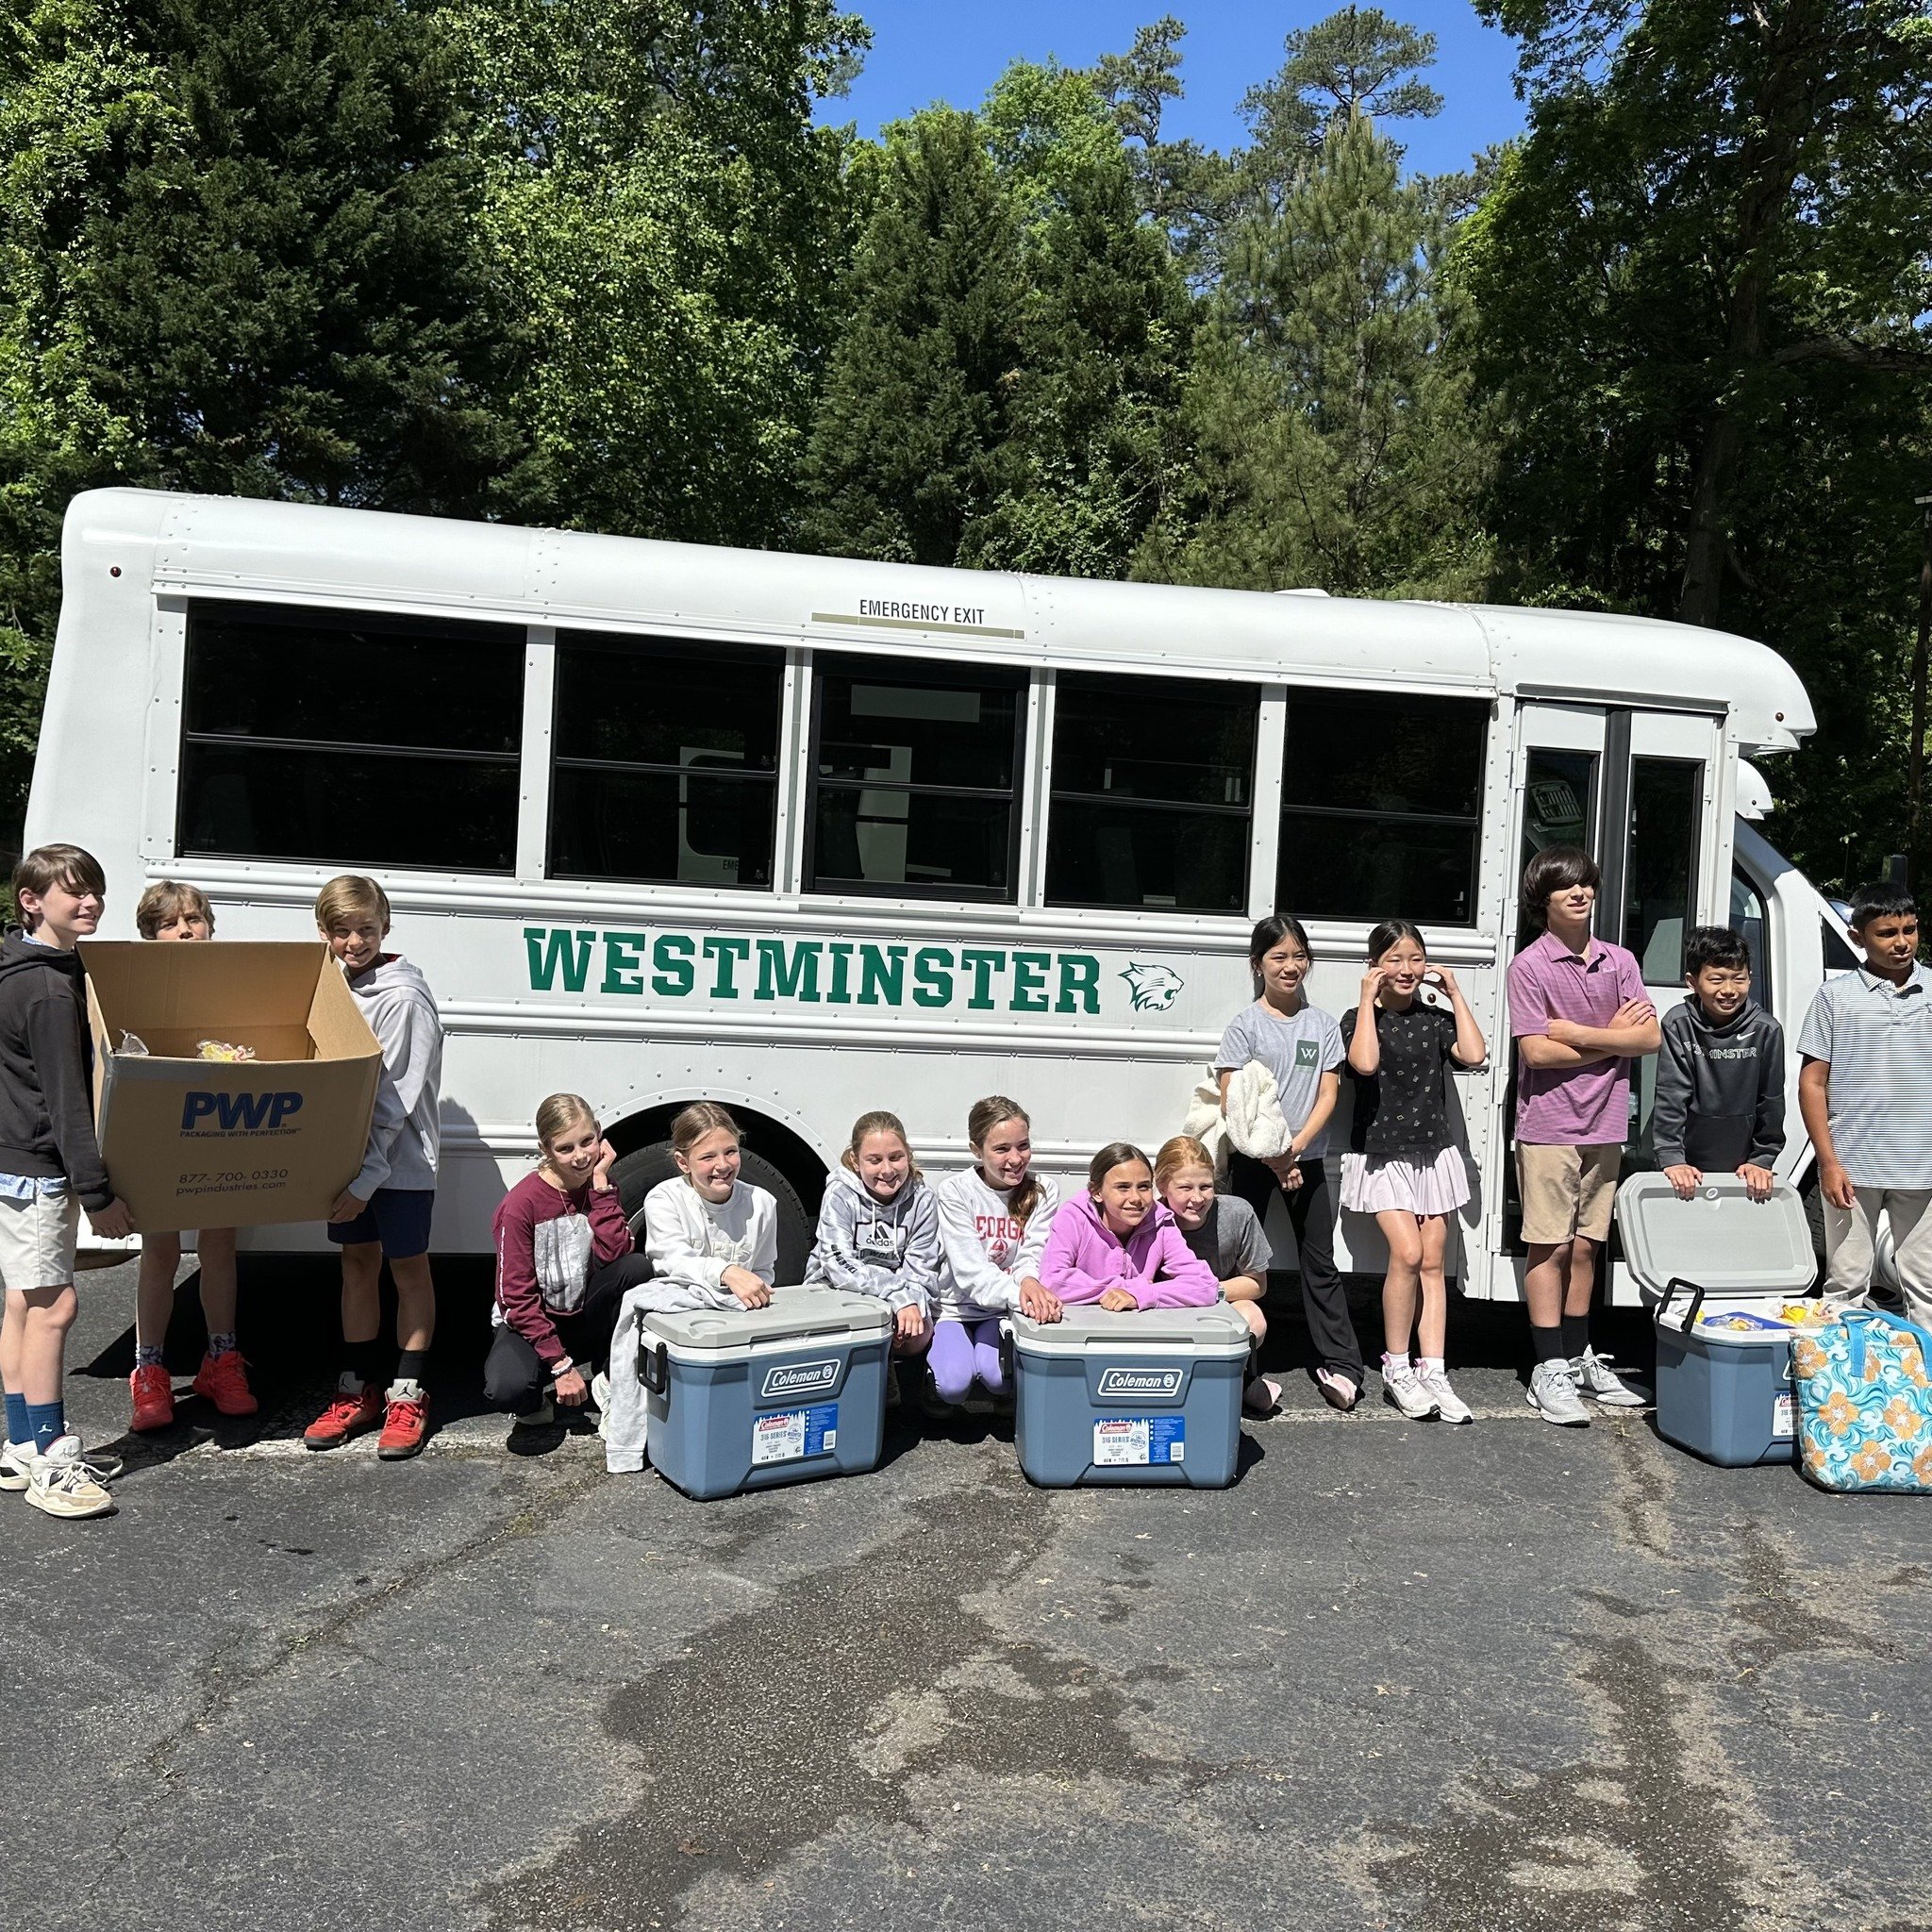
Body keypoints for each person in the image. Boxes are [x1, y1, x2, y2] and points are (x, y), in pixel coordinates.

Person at [0, 844, 133, 1518]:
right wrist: (100, 1194)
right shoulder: (51, 989)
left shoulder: (19, 966)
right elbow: (67, 1100)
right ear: (32, 900)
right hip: (41, 1169)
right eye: (74, 893)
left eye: (95, 892)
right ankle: (54, 1461)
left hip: (10, 1163)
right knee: (55, 1308)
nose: (90, 903)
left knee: (23, 1303)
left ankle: (19, 1443)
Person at [1507, 845, 1660, 1426]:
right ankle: (1547, 1369)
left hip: (1606, 1122)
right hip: (1548, 1126)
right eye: (1566, 887)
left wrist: (1577, 1031)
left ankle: (1577, 1356)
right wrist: (1608, 1035)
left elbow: (1648, 1041)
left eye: (1587, 884)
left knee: (1586, 1246)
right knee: (1547, 1244)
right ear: (1542, 901)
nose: (1580, 893)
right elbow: (1537, 1053)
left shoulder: (1620, 961)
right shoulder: (1529, 967)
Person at [302, 875, 444, 1460]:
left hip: (398, 1164)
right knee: (357, 1264)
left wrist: (364, 1181)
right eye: (341, 931)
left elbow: (394, 1102)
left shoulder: (403, 997)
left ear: (386, 927)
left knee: (408, 1271)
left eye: (365, 929)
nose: (354, 941)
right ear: (325, 934)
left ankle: (407, 1394)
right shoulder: (339, 985)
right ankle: (355, 1390)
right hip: (350, 1161)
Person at [1341, 920, 1487, 1425]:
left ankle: (1435, 1370)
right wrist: (1366, 999)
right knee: (1405, 1253)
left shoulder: (1435, 1018)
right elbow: (1362, 1064)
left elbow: (1475, 1054)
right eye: (1395, 959)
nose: (1407, 969)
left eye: (1415, 959)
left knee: (1432, 1262)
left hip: (1432, 1153)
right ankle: (1397, 1366)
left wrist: (1455, 992)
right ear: (1376, 964)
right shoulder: (1358, 1018)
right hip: (1383, 1155)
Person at [1215, 914, 1363, 1409]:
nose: (1291, 965)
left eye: (1299, 956)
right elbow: (1233, 1102)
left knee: (1319, 1263)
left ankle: (1342, 1367)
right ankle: (1239, 1372)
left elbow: (1329, 1094)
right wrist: (1276, 1158)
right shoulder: (1244, 1026)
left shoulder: (1321, 1025)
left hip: (1309, 1158)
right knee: (1239, 1266)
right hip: (1253, 1162)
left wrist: (1294, 1149)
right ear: (1257, 965)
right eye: (1279, 956)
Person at [126, 881, 254, 1432]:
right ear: (151, 935)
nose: (186, 929)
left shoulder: (230, 982)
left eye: (195, 919)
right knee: (160, 1251)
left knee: (220, 1243)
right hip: (158, 1134)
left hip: (215, 1130)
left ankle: (222, 1361)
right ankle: (149, 1372)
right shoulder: (135, 984)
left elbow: (245, 1036)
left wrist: (245, 1059)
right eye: (171, 923)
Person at [604, 1102, 781, 1474]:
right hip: (684, 1318)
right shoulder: (664, 1198)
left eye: (730, 1151)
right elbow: (669, 1260)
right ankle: (622, 1402)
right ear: (684, 1163)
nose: (722, 1165)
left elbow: (764, 1269)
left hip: (736, 1321)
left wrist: (750, 1286)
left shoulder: (762, 1203)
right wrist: (726, 1271)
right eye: (707, 1156)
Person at [1796, 880, 1932, 1321]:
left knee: (1924, 1286)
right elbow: (1813, 1084)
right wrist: (1828, 1162)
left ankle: (1920, 1383)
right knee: (1846, 1282)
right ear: (1858, 937)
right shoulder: (1835, 996)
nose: (1901, 943)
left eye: (1909, 930)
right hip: (1853, 1167)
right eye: (1886, 933)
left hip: (1922, 1167)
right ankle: (1839, 1384)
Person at [483, 1093, 652, 1426]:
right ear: (546, 1149)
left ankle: (609, 1376)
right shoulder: (520, 1205)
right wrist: (560, 1364)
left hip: (581, 1311)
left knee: (638, 1268)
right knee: (507, 1388)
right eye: (565, 1148)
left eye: (587, 1141)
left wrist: (601, 1188)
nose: (580, 1157)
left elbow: (616, 1254)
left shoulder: (600, 1183)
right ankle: (534, 1402)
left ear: (599, 1135)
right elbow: (515, 1298)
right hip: (532, 1321)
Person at [930, 1095, 1063, 1407]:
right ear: (977, 1150)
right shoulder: (956, 1190)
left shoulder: (1044, 1190)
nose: (1016, 1159)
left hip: (1001, 1310)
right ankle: (933, 1386)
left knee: (998, 1377)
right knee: (953, 1385)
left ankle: (992, 1386)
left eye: (1023, 1145)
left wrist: (1029, 1281)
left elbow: (1034, 1250)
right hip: (956, 1308)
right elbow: (969, 1269)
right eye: (1002, 1149)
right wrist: (1022, 1295)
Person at [803, 1109, 941, 1402]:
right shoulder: (840, 1193)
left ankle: (883, 1375)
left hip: (893, 1293)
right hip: (837, 1289)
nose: (887, 1171)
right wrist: (897, 1296)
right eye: (874, 1160)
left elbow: (921, 1269)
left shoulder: (924, 1200)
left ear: (908, 1155)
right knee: (853, 1323)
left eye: (896, 1157)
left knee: (919, 1332)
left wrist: (908, 1303)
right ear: (855, 1160)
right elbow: (838, 1264)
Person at [1654, 924, 1787, 1204]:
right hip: (1685, 1163)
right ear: (1693, 981)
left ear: (1750, 979)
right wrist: (1671, 1157)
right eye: (1716, 979)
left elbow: (1771, 1100)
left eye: (1738, 979)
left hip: (1743, 1168)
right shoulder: (1678, 1024)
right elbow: (1671, 1094)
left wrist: (1762, 1159)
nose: (1729, 990)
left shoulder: (1766, 1030)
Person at [1155, 1134, 1279, 1413]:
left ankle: (1237, 1377)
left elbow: (1257, 1285)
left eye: (1206, 1187)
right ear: (1162, 1185)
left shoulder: (1237, 1213)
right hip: (1163, 1309)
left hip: (1218, 1306)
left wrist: (1206, 1292)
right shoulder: (1151, 1219)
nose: (1197, 1198)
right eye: (1185, 1187)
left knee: (1252, 1320)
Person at [1040, 1142, 1220, 1308]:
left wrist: (1142, 1294)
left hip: (1141, 1332)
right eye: (1123, 1187)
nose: (1135, 1198)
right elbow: (1052, 1281)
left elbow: (1206, 1285)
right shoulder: (1073, 1217)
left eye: (1143, 1187)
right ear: (1096, 1192)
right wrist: (1128, 1287)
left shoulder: (1160, 1220)